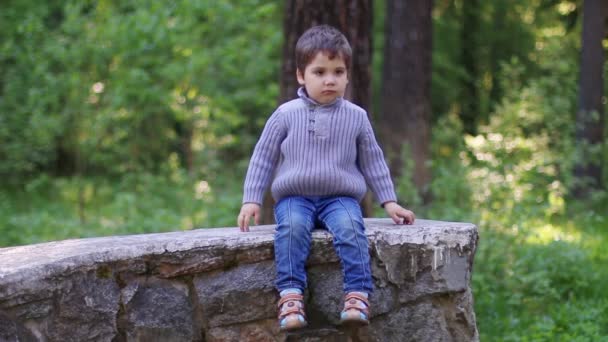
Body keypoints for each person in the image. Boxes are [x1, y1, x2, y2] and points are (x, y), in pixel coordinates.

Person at [237, 25, 415, 332]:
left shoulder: (356, 116)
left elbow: (373, 160)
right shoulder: (285, 114)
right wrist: (251, 199)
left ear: (347, 76)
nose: (329, 79)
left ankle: (357, 295)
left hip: (340, 198)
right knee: (291, 230)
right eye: (319, 72)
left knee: (351, 228)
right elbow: (263, 157)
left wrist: (390, 202)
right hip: (295, 198)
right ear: (300, 75)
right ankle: (290, 295)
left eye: (338, 71)